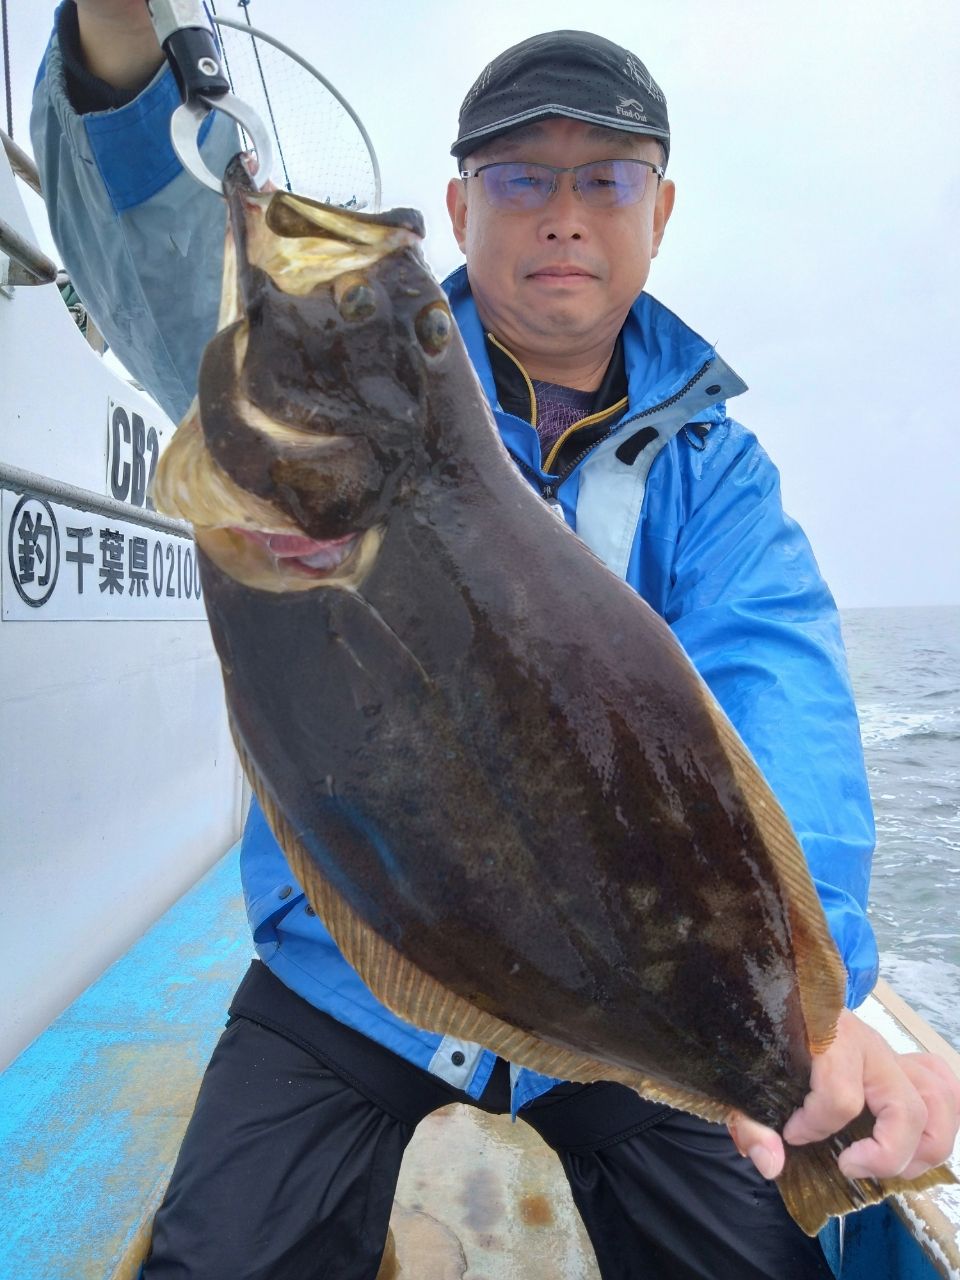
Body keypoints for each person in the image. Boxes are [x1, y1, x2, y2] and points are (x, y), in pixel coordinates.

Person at [33, 7, 960, 1279]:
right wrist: (118, 43)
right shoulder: (321, 375)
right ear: (461, 212)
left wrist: (811, 1006)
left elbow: (776, 705)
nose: (564, 211)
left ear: (661, 210)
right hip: (347, 968)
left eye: (607, 176)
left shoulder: (718, 479)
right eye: (522, 175)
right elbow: (150, 255)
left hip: (619, 1001)